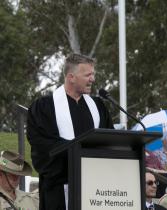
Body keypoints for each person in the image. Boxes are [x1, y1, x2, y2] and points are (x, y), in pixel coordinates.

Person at [27, 53, 114, 210]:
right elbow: (43, 146)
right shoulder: (45, 107)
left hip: (98, 191)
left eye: (93, 74)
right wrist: (80, 152)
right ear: (71, 77)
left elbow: (110, 141)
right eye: (88, 75)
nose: (93, 79)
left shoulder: (98, 107)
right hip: (60, 190)